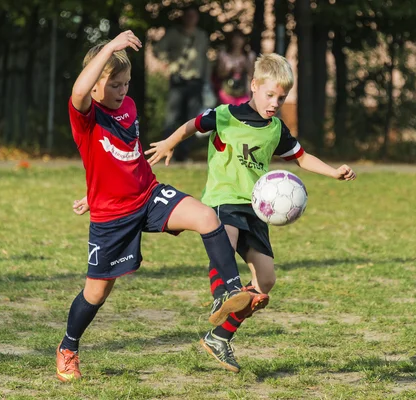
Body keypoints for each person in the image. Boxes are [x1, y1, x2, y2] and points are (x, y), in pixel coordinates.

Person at [56, 31, 252, 382]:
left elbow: (124, 157)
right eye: (115, 84)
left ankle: (229, 291)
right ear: (97, 83)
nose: (123, 91)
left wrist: (101, 186)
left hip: (148, 195)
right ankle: (68, 347)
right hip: (112, 218)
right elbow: (78, 93)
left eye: (127, 83)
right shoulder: (86, 115)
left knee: (207, 217)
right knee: (96, 292)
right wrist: (111, 47)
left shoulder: (128, 107)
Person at [145, 53, 356, 373]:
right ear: (254, 86)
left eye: (282, 98)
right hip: (224, 199)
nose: (275, 102)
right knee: (224, 246)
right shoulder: (225, 114)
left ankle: (219, 337)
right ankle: (221, 296)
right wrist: (170, 143)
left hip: (258, 210)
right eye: (270, 94)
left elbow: (300, 157)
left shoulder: (275, 129)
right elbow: (193, 124)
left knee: (266, 282)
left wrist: (333, 172)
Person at [153, 5, 210, 161]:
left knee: (192, 118)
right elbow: (158, 49)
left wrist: (206, 79)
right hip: (178, 80)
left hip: (196, 81)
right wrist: (170, 64)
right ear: (184, 17)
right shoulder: (173, 33)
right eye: (189, 15)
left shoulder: (202, 35)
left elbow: (205, 59)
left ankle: (183, 154)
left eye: (194, 16)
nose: (191, 19)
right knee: (172, 117)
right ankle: (165, 150)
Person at [213, 29, 255, 106]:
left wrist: (245, 67)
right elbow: (219, 74)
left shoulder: (249, 56)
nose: (237, 41)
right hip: (227, 91)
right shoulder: (224, 55)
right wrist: (230, 70)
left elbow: (252, 75)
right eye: (234, 38)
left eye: (239, 38)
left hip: (243, 91)